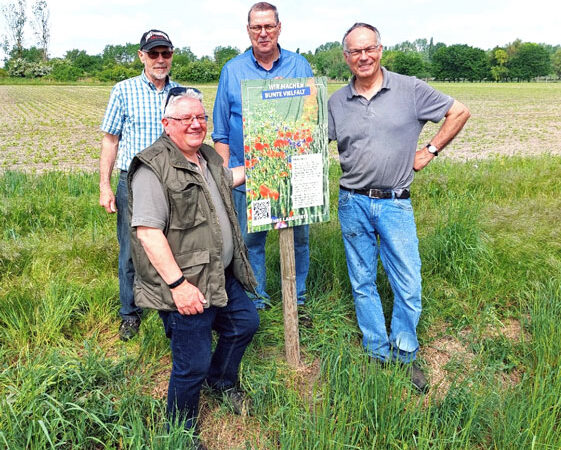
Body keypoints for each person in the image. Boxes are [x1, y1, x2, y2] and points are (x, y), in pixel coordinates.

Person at [328, 23, 470, 392]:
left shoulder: (410, 89)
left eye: (369, 49)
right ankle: (377, 350)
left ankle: (405, 353)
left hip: (395, 204)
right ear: (345, 57)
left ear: (380, 50)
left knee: (408, 283)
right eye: (354, 51)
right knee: (362, 281)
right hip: (352, 201)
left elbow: (459, 112)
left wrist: (431, 150)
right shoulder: (336, 101)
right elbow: (310, 140)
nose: (363, 57)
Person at [128, 87, 260, 440]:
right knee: (191, 364)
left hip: (218, 272)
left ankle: (220, 381)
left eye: (200, 117)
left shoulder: (206, 157)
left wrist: (264, 163)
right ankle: (179, 432)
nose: (195, 124)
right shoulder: (153, 167)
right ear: (166, 124)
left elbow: (226, 180)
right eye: (185, 118)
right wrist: (178, 287)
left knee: (245, 323)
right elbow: (148, 233)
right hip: (187, 282)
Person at [212, 2, 313, 309]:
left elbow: (312, 116)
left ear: (279, 28)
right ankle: (257, 302)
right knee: (251, 240)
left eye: (269, 26)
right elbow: (221, 130)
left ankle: (298, 300)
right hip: (249, 175)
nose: (263, 33)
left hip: (293, 175)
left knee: (298, 240)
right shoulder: (233, 70)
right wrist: (225, 177)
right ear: (248, 31)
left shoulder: (299, 66)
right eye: (257, 27)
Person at [99, 29, 179, 341]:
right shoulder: (123, 90)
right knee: (131, 251)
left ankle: (169, 309)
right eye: (154, 53)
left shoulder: (182, 94)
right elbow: (110, 139)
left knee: (172, 247)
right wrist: (105, 186)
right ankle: (130, 314)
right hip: (132, 182)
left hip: (171, 182)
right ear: (141, 56)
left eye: (165, 53)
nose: (160, 59)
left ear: (171, 56)